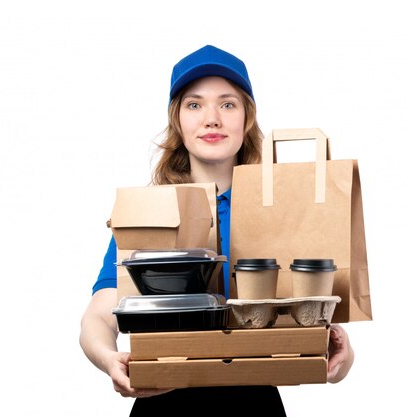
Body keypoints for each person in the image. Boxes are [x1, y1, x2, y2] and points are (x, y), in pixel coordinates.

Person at [79, 45, 355, 416]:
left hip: (255, 403)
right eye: (194, 105)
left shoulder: (281, 213)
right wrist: (110, 358)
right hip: (163, 401)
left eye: (227, 104)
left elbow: (313, 327)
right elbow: (99, 314)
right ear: (178, 121)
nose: (212, 119)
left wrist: (342, 353)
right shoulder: (149, 215)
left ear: (246, 119)